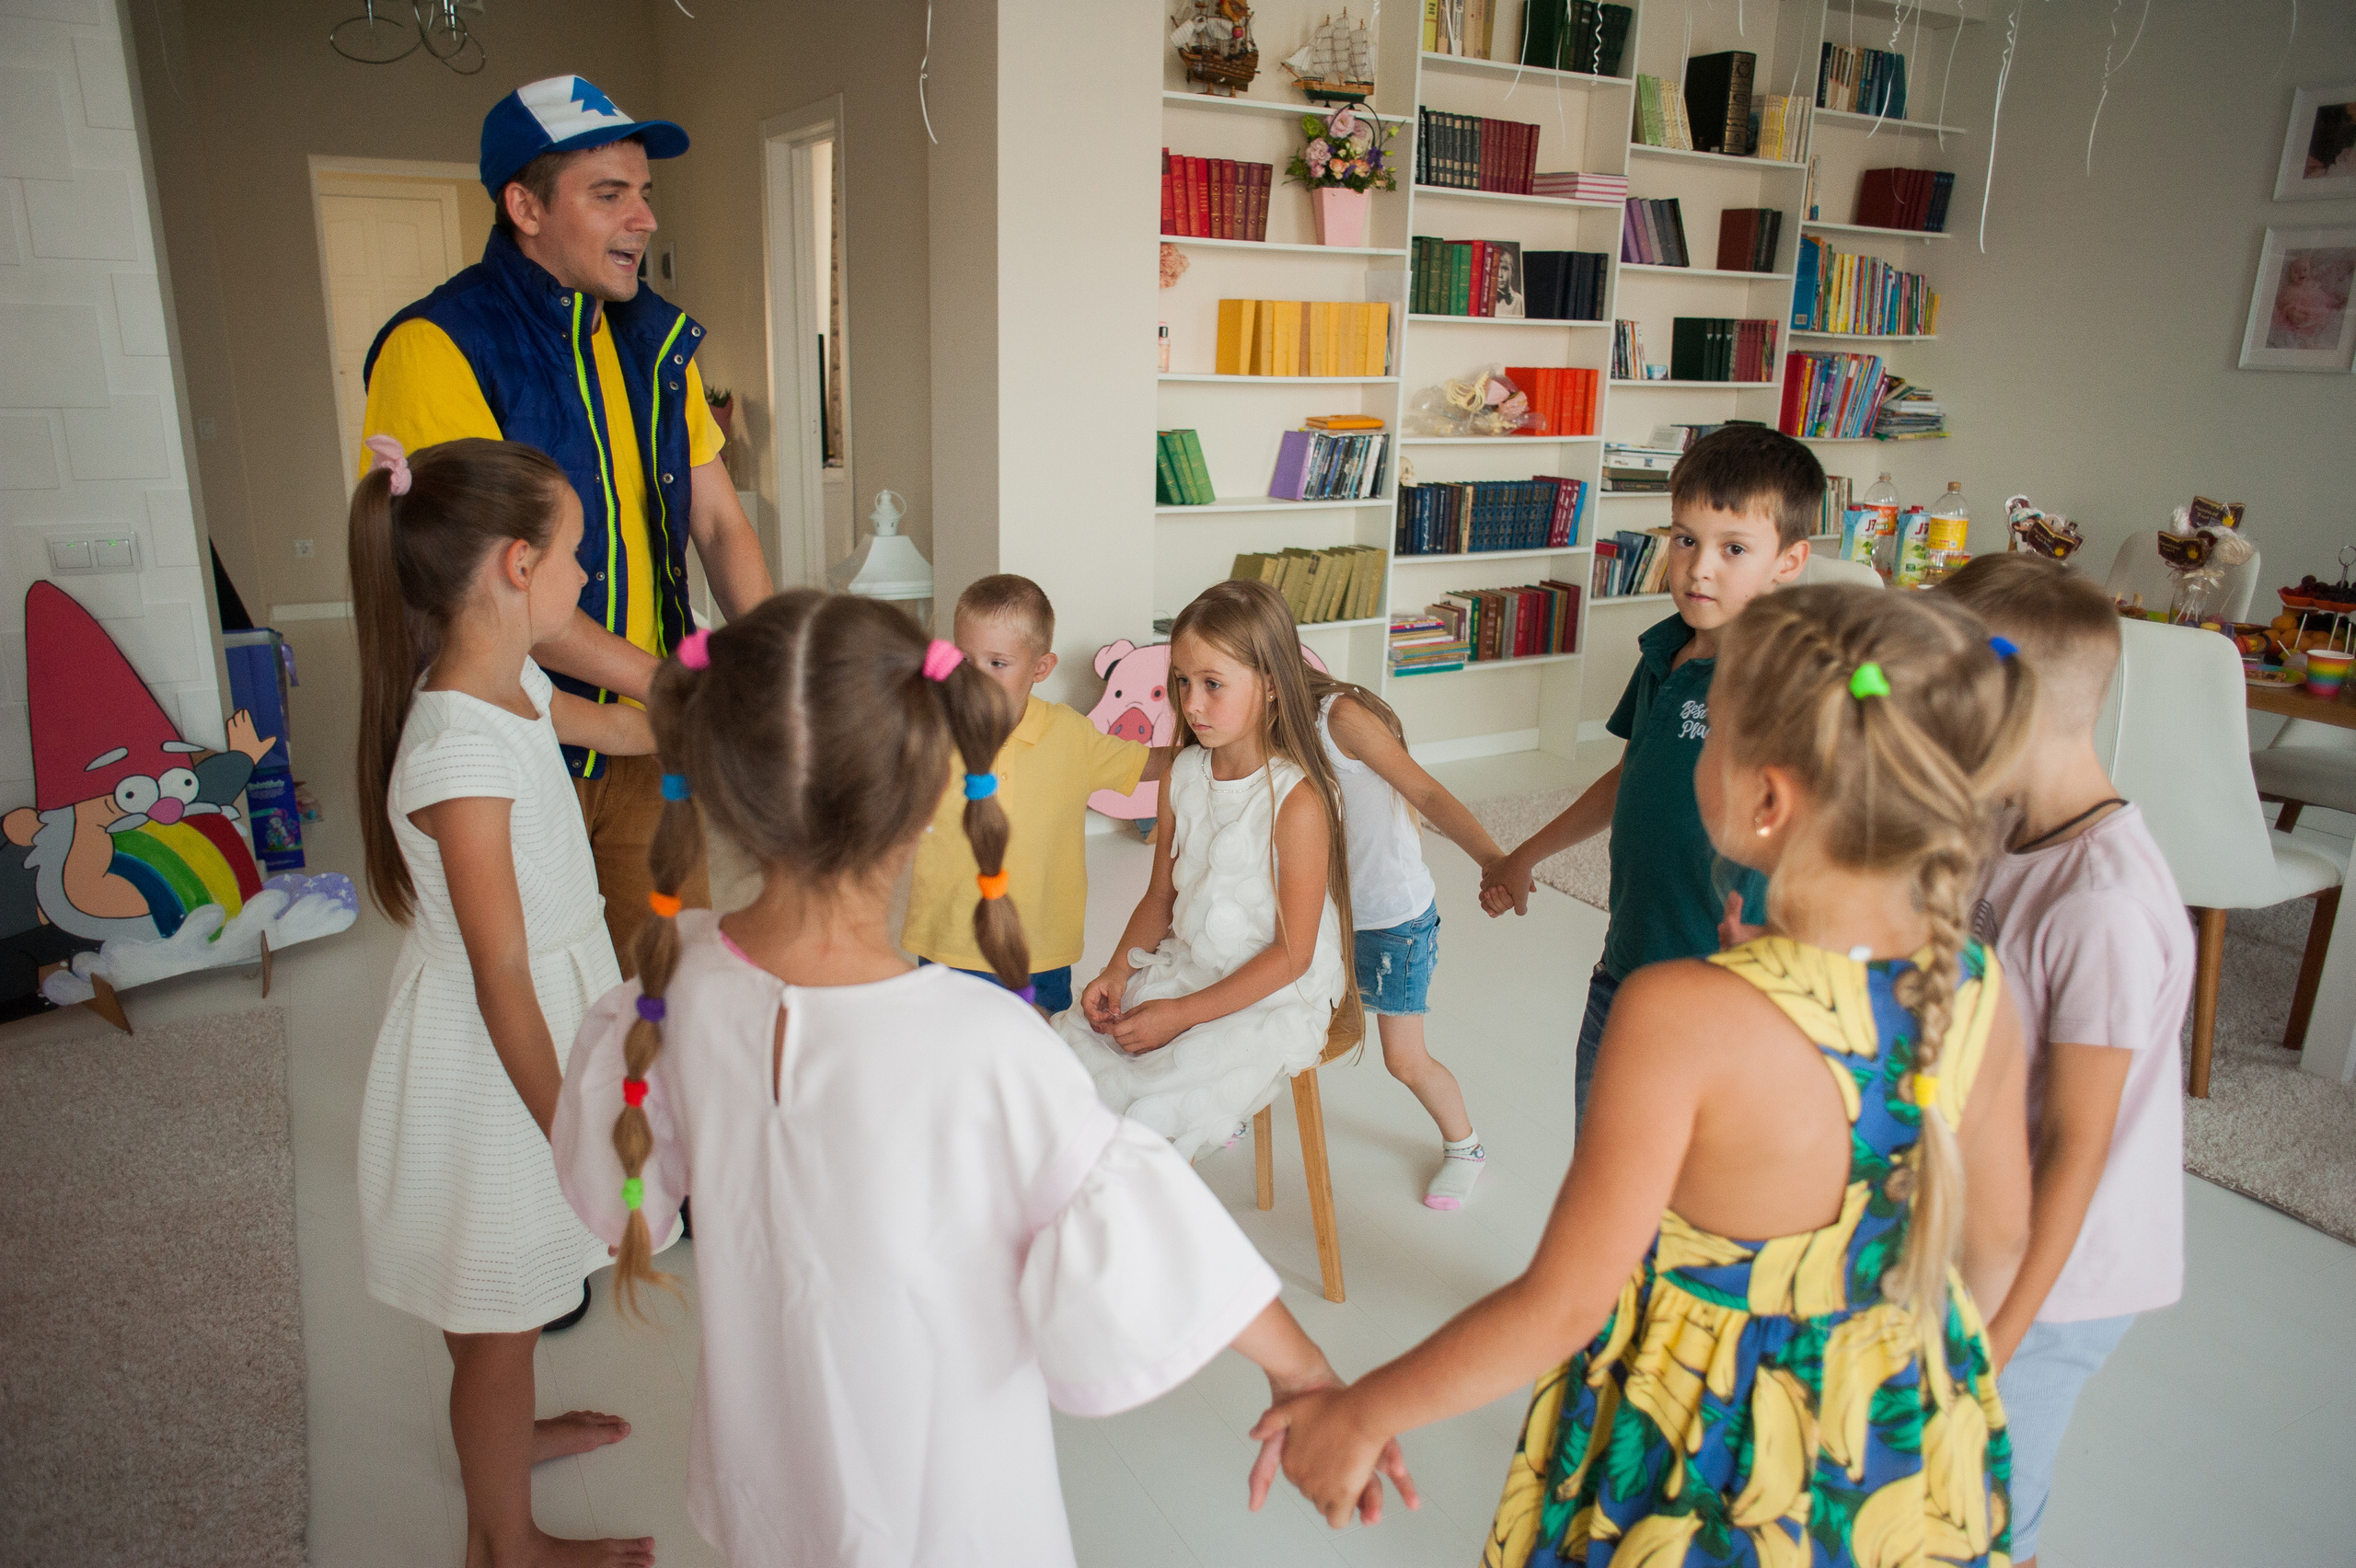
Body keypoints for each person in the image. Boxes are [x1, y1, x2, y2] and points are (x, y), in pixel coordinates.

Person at [549, 591, 1411, 1564]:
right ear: (927, 801)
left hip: (760, 1480)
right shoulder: (984, 1045)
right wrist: (1303, 1375)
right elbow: (1134, 1217)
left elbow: (617, 1195)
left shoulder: (662, 997)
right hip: (946, 1505)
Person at [1253, 586, 2037, 1568]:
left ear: (1766, 800)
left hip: (1704, 1442)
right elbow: (1998, 1242)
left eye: (1712, 738)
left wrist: (1362, 1412)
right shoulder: (1972, 982)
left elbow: (1565, 1301)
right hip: (1898, 1431)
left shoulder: (1677, 1010)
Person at [360, 75, 775, 973]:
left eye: (645, 193)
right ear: (524, 205)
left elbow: (718, 520)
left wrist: (772, 657)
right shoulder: (436, 347)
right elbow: (476, 585)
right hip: (516, 732)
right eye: (609, 194)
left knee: (668, 980)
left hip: (641, 740)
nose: (645, 218)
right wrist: (668, 689)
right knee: (543, 987)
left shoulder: (649, 343)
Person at [350, 435, 661, 1568]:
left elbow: (627, 726)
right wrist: (576, 1124)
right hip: (499, 1058)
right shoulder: (455, 754)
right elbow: (501, 976)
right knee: (499, 1313)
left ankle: (504, 1436)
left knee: (506, 1295)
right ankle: (505, 1546)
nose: (584, 584)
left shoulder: (513, 681)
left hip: (541, 1019)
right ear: (517, 566)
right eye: (577, 558)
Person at [1937, 553, 2194, 1568]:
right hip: (1985, 1239)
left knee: (1986, 1508)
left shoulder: (2103, 905)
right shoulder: (2007, 830)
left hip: (2059, 1280)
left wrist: (2001, 1335)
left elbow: (2078, 1144)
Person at [1479, 425, 1819, 1121]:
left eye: (1734, 549)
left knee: (1692, 1201)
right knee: (1603, 1174)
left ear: (1789, 561)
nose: (1699, 569)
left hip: (1725, 993)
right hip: (1624, 971)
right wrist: (1527, 854)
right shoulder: (1664, 653)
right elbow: (1630, 775)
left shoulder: (1786, 684)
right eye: (1685, 539)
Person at [1055, 579, 1353, 1159]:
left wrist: (1181, 1017)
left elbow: (1293, 955)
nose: (1190, 704)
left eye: (1213, 684)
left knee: (1141, 1115)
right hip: (1193, 965)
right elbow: (1159, 899)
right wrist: (1116, 972)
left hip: (1277, 992)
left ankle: (1139, 1228)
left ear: (1270, 686)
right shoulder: (1182, 774)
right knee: (1073, 1067)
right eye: (1183, 682)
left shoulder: (1298, 802)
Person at [900, 574, 1172, 1014]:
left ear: (1041, 668)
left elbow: (1147, 764)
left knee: (1037, 1050)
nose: (978, 677)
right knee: (955, 1058)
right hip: (947, 939)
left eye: (998, 663)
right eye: (967, 660)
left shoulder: (1070, 734)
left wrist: (1217, 748)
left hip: (1039, 948)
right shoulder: (932, 726)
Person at [1310, 663, 1511, 1207]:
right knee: (1280, 1021)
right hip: (1321, 914)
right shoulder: (1254, 721)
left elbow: (1425, 791)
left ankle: (1464, 1146)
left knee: (1403, 1059)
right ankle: (1230, 1105)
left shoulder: (1339, 718)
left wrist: (1493, 859)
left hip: (1390, 922)